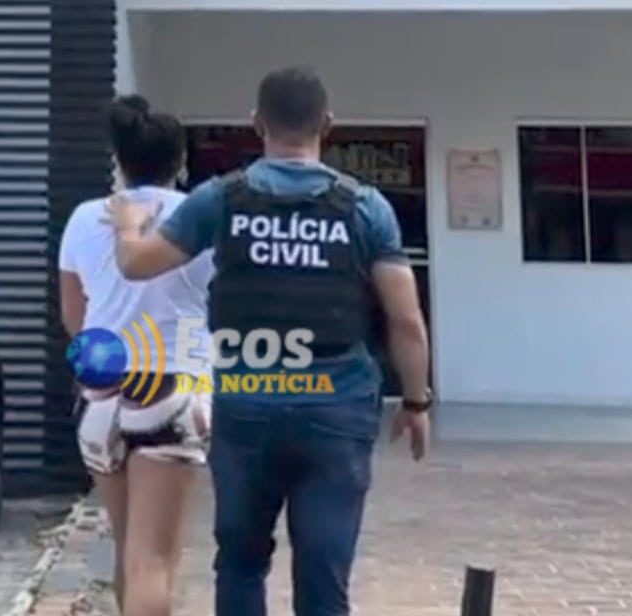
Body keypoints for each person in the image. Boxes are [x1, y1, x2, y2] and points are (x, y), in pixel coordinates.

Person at [104, 66, 432, 616]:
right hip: (337, 406)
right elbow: (407, 321)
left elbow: (136, 264)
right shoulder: (365, 207)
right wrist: (416, 402)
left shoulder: (219, 199)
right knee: (325, 569)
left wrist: (126, 221)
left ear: (257, 124)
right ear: (327, 125)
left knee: (240, 561)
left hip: (247, 404)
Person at [58, 95, 216, 616]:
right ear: (181, 161)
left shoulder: (85, 219)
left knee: (130, 550)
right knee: (155, 560)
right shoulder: (199, 216)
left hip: (100, 392)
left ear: (119, 161)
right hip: (173, 385)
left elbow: (73, 315)